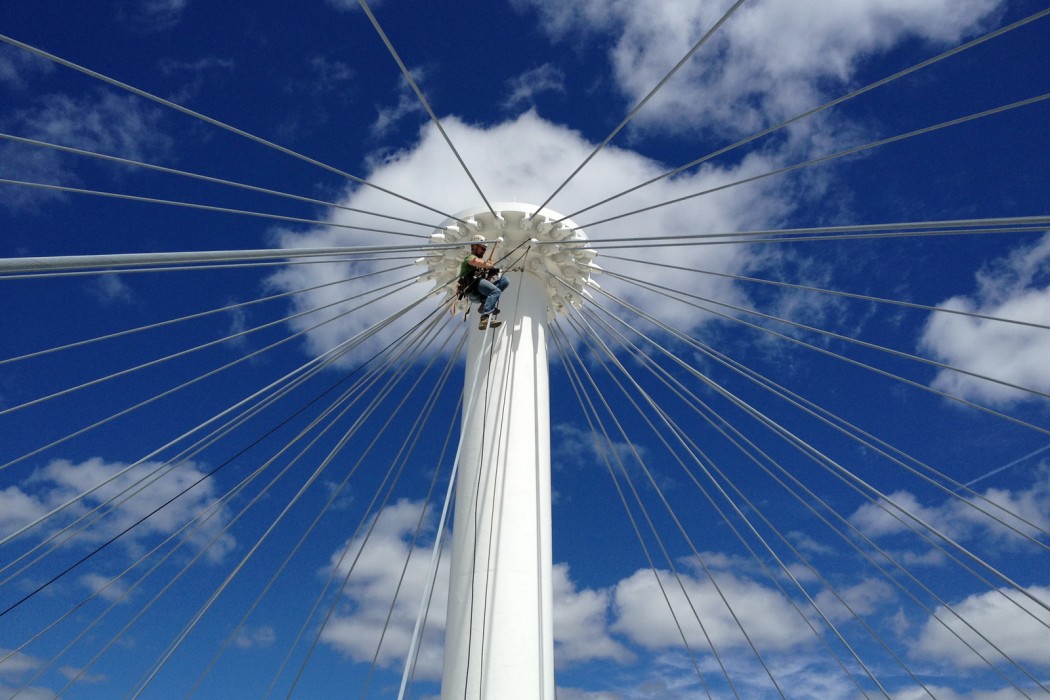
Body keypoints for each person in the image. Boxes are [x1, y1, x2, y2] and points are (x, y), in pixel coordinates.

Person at [459, 234, 509, 330]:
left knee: (505, 281)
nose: (484, 251)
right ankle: (484, 318)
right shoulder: (469, 258)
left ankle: (485, 304)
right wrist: (490, 266)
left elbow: (486, 283)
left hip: (480, 290)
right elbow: (475, 262)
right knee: (496, 291)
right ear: (474, 247)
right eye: (482, 248)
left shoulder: (480, 267)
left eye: (485, 249)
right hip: (472, 290)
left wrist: (490, 274)